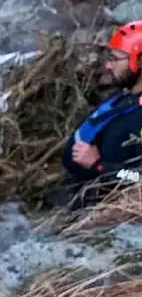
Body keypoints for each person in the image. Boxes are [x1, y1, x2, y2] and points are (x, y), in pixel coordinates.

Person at [59, 21, 142, 203]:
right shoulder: (125, 97)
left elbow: (139, 179)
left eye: (115, 59)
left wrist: (99, 166)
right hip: (77, 199)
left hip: (112, 217)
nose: (108, 66)